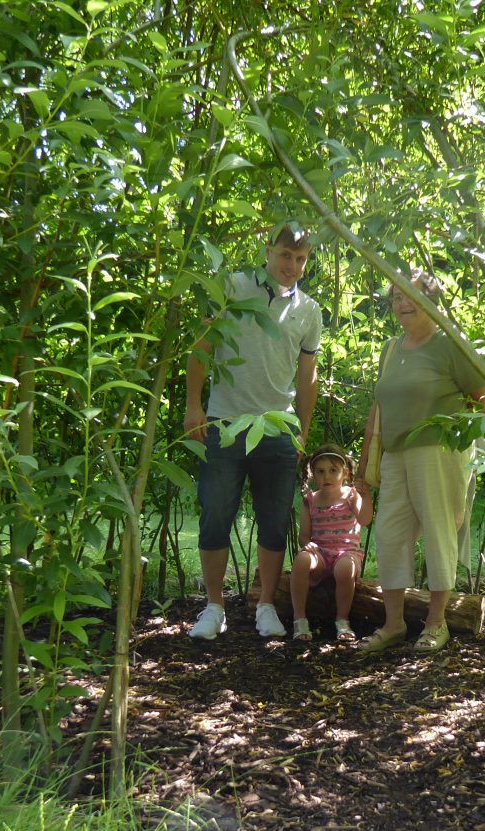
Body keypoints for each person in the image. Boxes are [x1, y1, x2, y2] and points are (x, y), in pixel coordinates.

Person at [184, 221, 322, 640]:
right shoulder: (234, 286)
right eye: (285, 255)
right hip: (223, 424)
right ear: (268, 251)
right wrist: (193, 406)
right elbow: (203, 345)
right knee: (215, 517)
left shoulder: (309, 311)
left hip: (277, 429)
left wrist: (301, 432)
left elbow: (307, 376)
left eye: (300, 259)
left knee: (274, 522)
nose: (291, 265)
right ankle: (213, 608)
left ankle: (265, 605)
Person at [354, 269, 485, 653]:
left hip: (439, 453)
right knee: (389, 536)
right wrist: (364, 463)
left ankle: (436, 624)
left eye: (410, 297)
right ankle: (394, 624)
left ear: (432, 301)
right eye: (396, 297)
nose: (401, 304)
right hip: (396, 454)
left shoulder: (450, 345)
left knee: (438, 532)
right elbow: (377, 408)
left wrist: (459, 436)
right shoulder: (391, 348)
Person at [290, 444, 373, 642]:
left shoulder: (351, 495)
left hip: (347, 554)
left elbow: (364, 520)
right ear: (312, 474)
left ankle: (342, 620)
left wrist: (366, 496)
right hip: (320, 554)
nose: (326, 477)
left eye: (332, 470)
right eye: (320, 471)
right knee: (302, 560)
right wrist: (307, 545)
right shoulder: (309, 500)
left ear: (344, 473)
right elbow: (304, 536)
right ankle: (299, 619)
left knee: (345, 569)